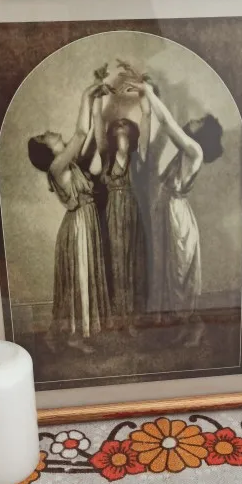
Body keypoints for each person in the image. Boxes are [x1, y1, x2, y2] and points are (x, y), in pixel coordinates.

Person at [126, 80, 224, 345]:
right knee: (166, 270)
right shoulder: (184, 151)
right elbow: (162, 133)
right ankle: (178, 325)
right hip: (166, 212)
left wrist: (149, 93)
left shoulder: (195, 151)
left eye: (199, 121)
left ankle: (195, 327)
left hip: (177, 217)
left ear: (204, 133)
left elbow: (168, 124)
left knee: (179, 273)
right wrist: (148, 103)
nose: (193, 120)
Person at [28, 82, 111, 354]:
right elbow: (81, 132)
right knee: (79, 279)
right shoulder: (57, 167)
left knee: (79, 279)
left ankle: (61, 334)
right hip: (78, 228)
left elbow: (93, 140)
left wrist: (97, 100)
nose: (49, 131)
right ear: (48, 149)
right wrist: (86, 94)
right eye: (44, 136)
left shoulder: (70, 164)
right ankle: (75, 337)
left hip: (85, 224)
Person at [93, 97, 148, 331]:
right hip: (112, 213)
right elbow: (97, 120)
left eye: (125, 123)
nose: (121, 123)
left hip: (132, 212)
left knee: (132, 261)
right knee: (115, 261)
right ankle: (118, 314)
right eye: (117, 124)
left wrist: (145, 97)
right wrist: (97, 96)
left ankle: (132, 316)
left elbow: (146, 120)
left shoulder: (138, 155)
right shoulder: (105, 155)